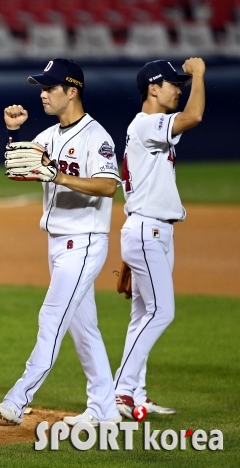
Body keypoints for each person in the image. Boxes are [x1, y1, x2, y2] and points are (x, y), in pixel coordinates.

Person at [0, 58, 122, 427]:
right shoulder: (48, 136)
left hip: (84, 243)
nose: (43, 94)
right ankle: (105, 410)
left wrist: (60, 176)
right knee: (84, 328)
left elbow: (108, 186)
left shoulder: (97, 137)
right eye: (42, 88)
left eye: (50, 88)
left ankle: (17, 400)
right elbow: (19, 168)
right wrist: (13, 134)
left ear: (72, 91)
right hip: (58, 244)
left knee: (51, 317)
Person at [113, 58, 205, 419]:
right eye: (173, 83)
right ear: (153, 88)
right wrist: (199, 74)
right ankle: (120, 390)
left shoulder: (151, 127)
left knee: (142, 316)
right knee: (161, 311)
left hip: (152, 230)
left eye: (182, 82)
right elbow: (194, 116)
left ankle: (135, 394)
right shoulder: (147, 124)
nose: (179, 89)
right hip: (147, 230)